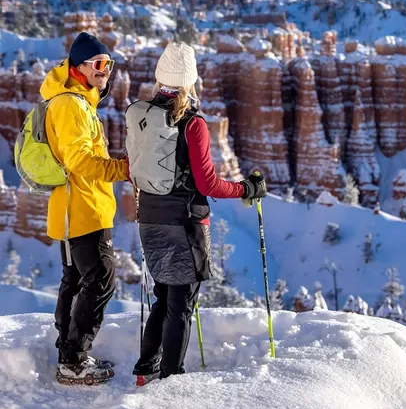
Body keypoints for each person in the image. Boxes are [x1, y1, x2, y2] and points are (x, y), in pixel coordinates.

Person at [131, 42, 266, 385]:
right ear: (190, 81)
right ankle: (171, 379)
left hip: (149, 218)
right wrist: (245, 189)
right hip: (183, 224)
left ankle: (146, 370)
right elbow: (207, 183)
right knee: (181, 305)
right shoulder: (192, 123)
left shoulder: (144, 114)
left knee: (163, 298)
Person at [41, 32, 129, 385]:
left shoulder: (76, 101)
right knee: (101, 280)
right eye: (98, 64)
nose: (105, 70)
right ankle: (74, 361)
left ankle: (69, 353)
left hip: (74, 207)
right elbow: (79, 160)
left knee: (76, 280)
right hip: (83, 209)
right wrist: (123, 169)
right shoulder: (71, 105)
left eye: (108, 64)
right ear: (78, 67)